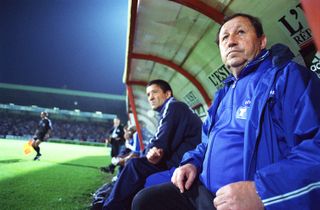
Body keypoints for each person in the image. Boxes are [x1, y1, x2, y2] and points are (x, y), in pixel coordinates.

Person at [132, 13, 320, 210]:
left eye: (240, 32)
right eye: (224, 38)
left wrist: (263, 192)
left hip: (250, 200)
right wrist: (191, 163)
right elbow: (205, 144)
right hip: (205, 192)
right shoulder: (222, 94)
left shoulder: (287, 77)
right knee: (145, 201)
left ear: (262, 41)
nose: (231, 41)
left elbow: (315, 147)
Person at [103, 79, 203, 210]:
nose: (150, 97)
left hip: (184, 163)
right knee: (134, 163)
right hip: (179, 160)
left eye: (154, 92)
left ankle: (110, 207)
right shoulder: (172, 110)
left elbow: (160, 141)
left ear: (168, 94)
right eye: (148, 94)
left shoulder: (173, 106)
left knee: (134, 165)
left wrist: (146, 152)